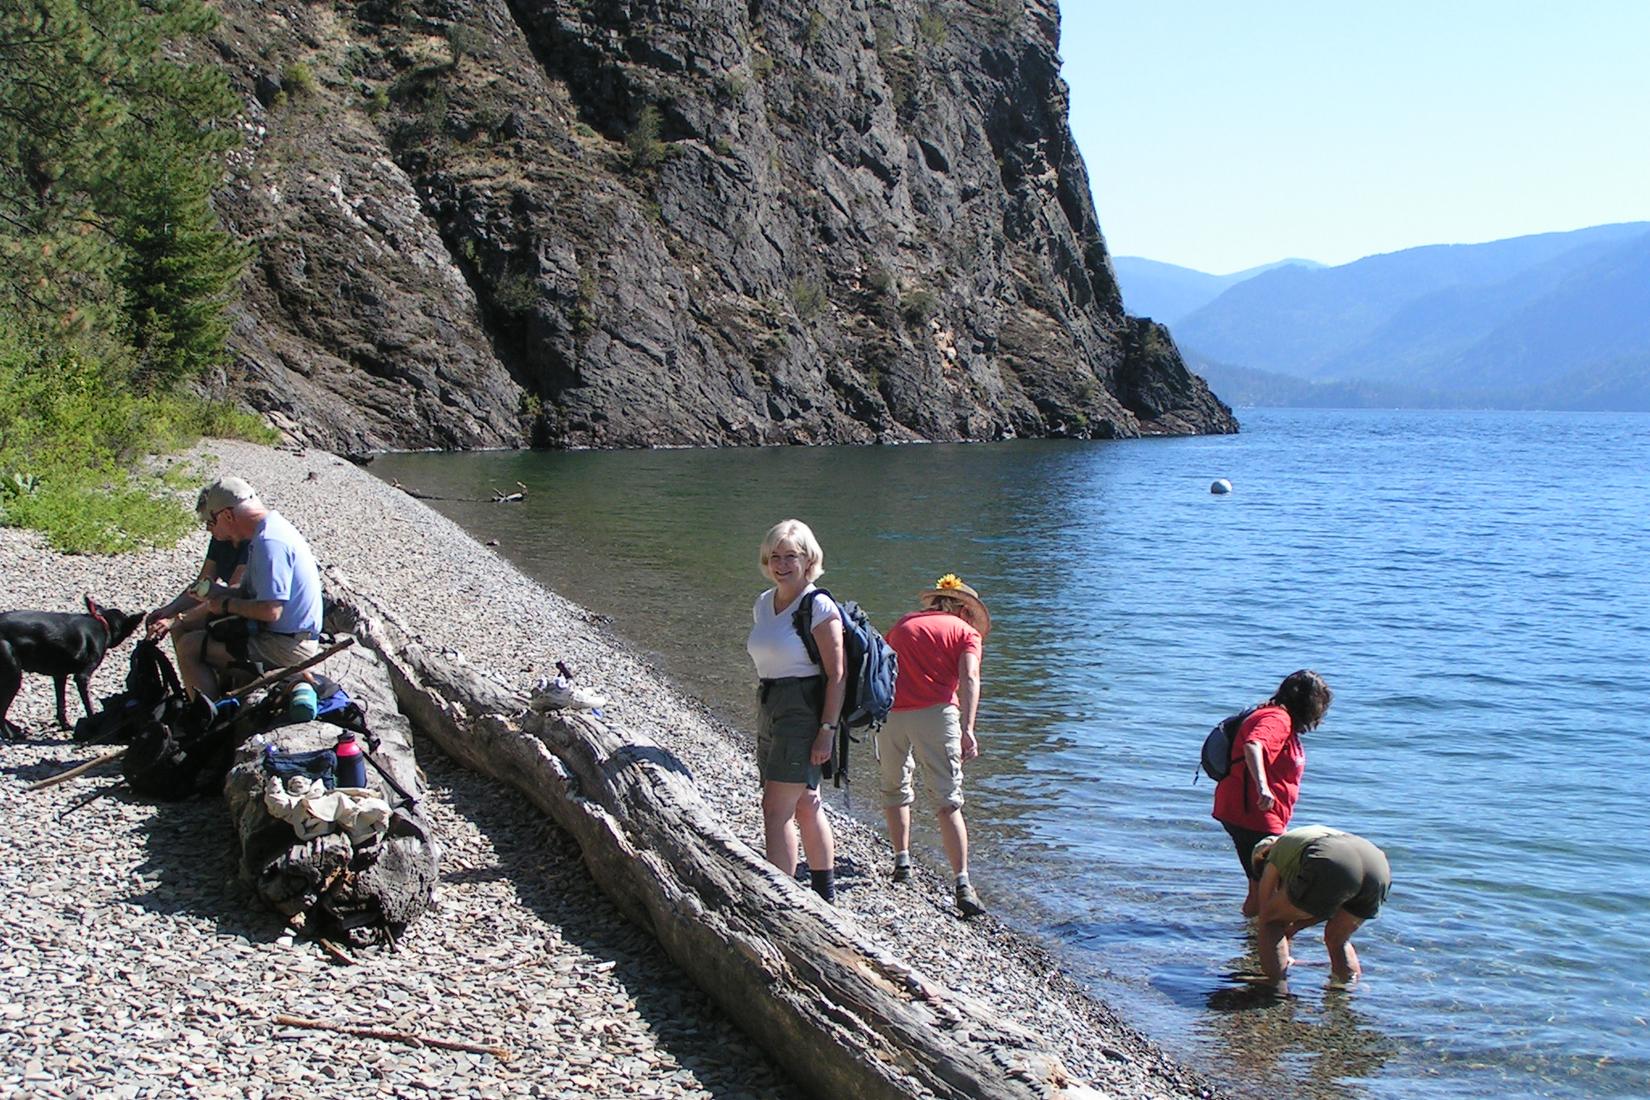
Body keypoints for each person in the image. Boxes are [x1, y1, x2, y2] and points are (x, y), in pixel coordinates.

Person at [878, 573, 990, 918]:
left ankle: (902, 864)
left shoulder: (904, 623)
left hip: (891, 713)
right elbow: (970, 678)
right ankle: (962, 883)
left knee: (895, 789)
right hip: (936, 714)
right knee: (947, 801)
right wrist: (968, 728)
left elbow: (883, 667)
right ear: (964, 609)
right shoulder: (965, 633)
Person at [745, 519, 841, 903]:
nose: (781, 564)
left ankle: (781, 901)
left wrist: (827, 730)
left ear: (808, 559)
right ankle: (824, 894)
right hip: (770, 702)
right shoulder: (764, 603)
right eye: (774, 557)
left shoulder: (818, 606)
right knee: (804, 801)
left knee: (775, 807)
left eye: (790, 556)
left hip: (803, 709)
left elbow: (837, 675)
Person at [168, 477, 323, 699]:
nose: (214, 531)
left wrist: (226, 603)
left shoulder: (270, 542)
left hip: (288, 646)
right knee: (194, 627)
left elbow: (271, 610)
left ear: (227, 515)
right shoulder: (270, 530)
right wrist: (220, 593)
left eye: (212, 522)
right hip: (287, 635)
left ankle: (208, 721)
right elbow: (255, 595)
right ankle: (219, 693)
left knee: (189, 647)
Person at [1211, 669, 1333, 918]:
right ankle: (1263, 945)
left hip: (1248, 812)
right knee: (1274, 887)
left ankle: (1251, 942)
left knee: (1261, 885)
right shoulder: (1277, 719)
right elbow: (1253, 745)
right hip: (1254, 815)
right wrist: (1263, 787)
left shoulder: (1275, 716)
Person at [1250, 825, 1391, 984]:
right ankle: (1345, 993)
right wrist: (1293, 928)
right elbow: (1327, 908)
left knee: (1270, 921)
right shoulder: (1301, 841)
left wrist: (1277, 932)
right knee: (1337, 938)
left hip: (1331, 857)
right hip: (1377, 864)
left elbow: (1265, 910)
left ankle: (1276, 989)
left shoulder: (1273, 855)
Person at [144, 487, 251, 661]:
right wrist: (169, 610)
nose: (209, 529)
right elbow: (201, 585)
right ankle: (194, 681)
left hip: (246, 610)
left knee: (182, 628)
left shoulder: (249, 544)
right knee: (177, 625)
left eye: (210, 522)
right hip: (227, 605)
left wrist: (177, 619)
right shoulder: (220, 540)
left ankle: (205, 679)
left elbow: (232, 592)